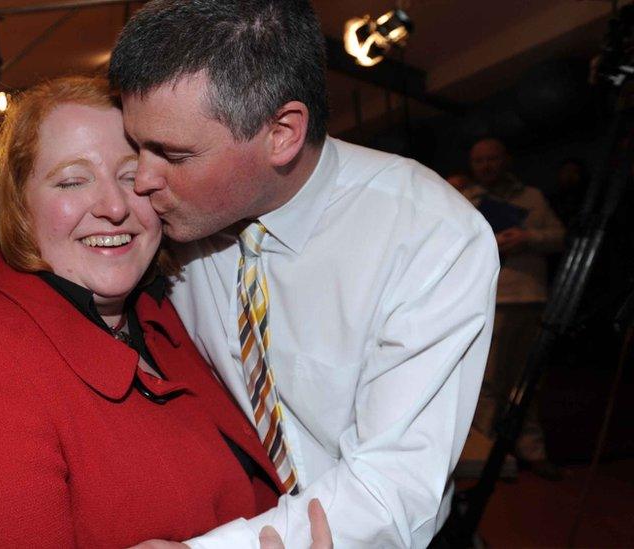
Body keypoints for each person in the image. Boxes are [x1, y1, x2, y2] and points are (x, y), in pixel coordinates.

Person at [0, 76, 330, 548]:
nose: (114, 206)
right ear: (16, 206)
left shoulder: (164, 313)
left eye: (131, 177)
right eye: (73, 180)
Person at [109, 1, 499, 546]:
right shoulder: (175, 225)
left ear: (283, 133)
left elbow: (393, 489)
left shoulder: (427, 234)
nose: (142, 179)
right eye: (136, 145)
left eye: (171, 154)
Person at [467, 137, 565, 480]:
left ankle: (532, 451)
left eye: (492, 158)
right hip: (487, 303)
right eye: (480, 161)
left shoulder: (532, 197)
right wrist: (489, 242)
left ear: (506, 158)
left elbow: (559, 236)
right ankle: (487, 454)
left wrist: (527, 238)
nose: (487, 166)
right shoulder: (468, 201)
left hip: (529, 298)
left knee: (527, 382)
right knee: (487, 382)